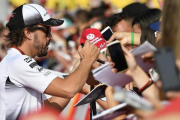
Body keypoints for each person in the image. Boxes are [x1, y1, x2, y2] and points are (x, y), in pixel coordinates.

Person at [0, 4, 100, 120]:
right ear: (28, 33)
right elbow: (68, 89)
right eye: (46, 30)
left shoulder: (16, 60)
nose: (50, 37)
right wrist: (87, 59)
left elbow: (48, 108)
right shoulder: (18, 62)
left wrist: (77, 70)